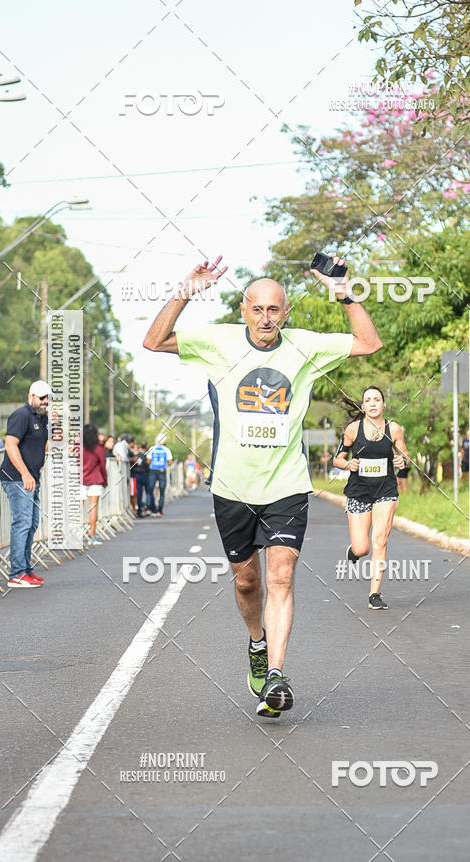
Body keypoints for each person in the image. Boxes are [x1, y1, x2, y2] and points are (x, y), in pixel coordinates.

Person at [143, 254, 382, 717]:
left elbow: (368, 343)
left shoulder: (305, 346)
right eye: (258, 309)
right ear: (243, 310)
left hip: (287, 486)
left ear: (286, 313)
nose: (266, 318)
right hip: (232, 488)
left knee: (280, 575)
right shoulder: (218, 342)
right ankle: (257, 642)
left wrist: (342, 290)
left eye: (275, 310)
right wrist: (187, 290)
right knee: (248, 581)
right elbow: (154, 341)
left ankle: (275, 674)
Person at [332, 386, 409, 610]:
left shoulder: (393, 429)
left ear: (383, 404)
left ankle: (374, 594)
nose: (373, 403)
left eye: (377, 399)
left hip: (386, 489)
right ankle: (354, 551)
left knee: (381, 539)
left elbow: (405, 455)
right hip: (359, 491)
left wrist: (402, 461)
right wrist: (347, 464)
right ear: (363, 406)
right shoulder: (353, 430)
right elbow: (337, 458)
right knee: (362, 548)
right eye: (368, 400)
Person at [0, 381, 52, 588]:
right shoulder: (21, 415)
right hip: (17, 478)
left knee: (32, 524)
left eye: (47, 397)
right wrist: (25, 473)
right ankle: (17, 573)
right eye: (41, 398)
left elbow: (39, 444)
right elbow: (10, 445)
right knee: (22, 523)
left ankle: (26, 570)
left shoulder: (43, 417)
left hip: (31, 478)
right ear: (31, 396)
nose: (45, 401)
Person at [81, 423, 107, 545]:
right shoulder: (99, 448)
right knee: (93, 507)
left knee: (77, 508)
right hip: (95, 478)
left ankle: (75, 534)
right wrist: (105, 480)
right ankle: (92, 534)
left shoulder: (78, 447)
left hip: (79, 479)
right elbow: (102, 465)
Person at [146, 435, 173, 515]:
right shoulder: (166, 450)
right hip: (162, 471)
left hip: (153, 471)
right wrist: (164, 465)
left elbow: (148, 461)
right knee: (162, 490)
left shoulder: (152, 448)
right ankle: (159, 510)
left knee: (150, 489)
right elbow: (170, 461)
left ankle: (148, 507)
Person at [132, 440, 151, 517]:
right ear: (146, 447)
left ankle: (140, 509)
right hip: (145, 474)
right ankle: (147, 507)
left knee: (139, 493)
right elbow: (148, 464)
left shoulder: (136, 454)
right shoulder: (147, 455)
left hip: (137, 474)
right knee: (148, 492)